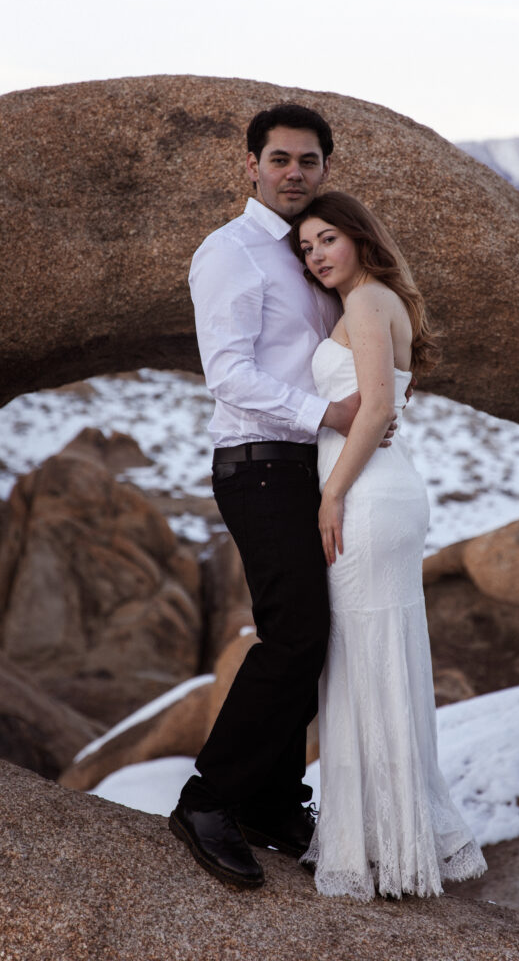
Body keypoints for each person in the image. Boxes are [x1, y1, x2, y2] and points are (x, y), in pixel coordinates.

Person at [169, 104, 390, 889]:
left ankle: (269, 798)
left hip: (313, 469)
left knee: (317, 636)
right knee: (295, 633)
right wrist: (323, 412)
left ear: (325, 168)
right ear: (252, 166)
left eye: (308, 161)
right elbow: (226, 371)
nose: (294, 172)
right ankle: (207, 799)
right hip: (259, 463)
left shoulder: (312, 253)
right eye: (280, 159)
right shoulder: (229, 253)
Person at [289, 191, 487, 899]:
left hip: (366, 498)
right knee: (373, 657)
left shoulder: (368, 303)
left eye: (326, 239)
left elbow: (374, 408)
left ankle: (382, 848)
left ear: (359, 237)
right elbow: (379, 406)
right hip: (381, 487)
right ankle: (386, 837)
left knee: (364, 657)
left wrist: (332, 493)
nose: (314, 255)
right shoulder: (371, 302)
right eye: (305, 247)